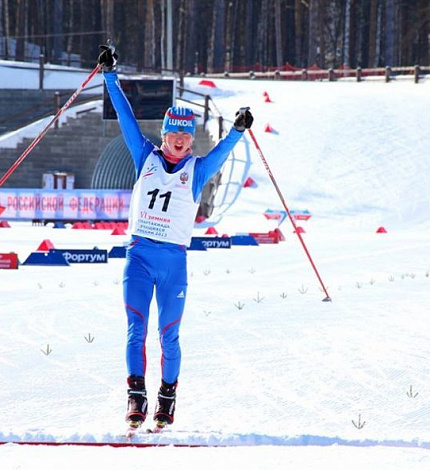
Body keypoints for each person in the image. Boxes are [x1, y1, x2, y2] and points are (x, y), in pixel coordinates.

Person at [97, 45, 253, 429]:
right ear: (164, 134)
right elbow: (125, 118)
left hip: (173, 263)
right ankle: (136, 397)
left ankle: (167, 400)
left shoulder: (197, 171)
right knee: (136, 329)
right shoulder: (144, 156)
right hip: (139, 256)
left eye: (186, 136)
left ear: (191, 140)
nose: (180, 141)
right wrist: (109, 76)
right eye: (174, 135)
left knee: (169, 335)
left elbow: (224, 151)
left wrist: (237, 128)